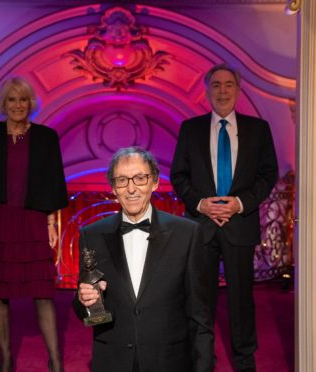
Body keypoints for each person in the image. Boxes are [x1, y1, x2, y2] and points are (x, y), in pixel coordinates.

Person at [170, 63, 279, 372]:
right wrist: (201, 204)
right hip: (201, 228)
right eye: (216, 85)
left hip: (240, 226)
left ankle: (245, 362)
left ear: (238, 89)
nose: (222, 90)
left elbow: (268, 174)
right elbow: (179, 176)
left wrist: (240, 204)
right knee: (199, 300)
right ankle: (202, 362)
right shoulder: (190, 129)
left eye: (228, 84)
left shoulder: (259, 129)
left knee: (242, 300)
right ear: (207, 91)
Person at [0, 76, 68, 372]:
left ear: (31, 103)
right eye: (12, 99)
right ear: (3, 104)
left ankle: (55, 359)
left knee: (43, 290)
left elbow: (52, 181)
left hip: (31, 218)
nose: (18, 105)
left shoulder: (46, 136)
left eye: (22, 99)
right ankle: (6, 357)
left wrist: (50, 222)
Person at [73, 147, 214, 372]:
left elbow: (200, 317)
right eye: (122, 180)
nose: (131, 189)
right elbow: (91, 314)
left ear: (154, 182)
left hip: (169, 362)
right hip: (113, 362)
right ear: (112, 188)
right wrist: (84, 301)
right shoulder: (92, 236)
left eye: (140, 178)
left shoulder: (187, 234)